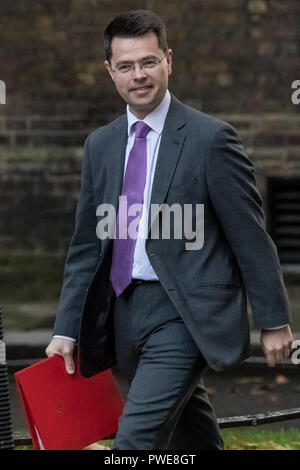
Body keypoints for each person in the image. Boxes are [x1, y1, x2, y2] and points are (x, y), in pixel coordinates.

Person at [45, 9, 294, 450]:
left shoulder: (210, 139)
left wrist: (274, 320)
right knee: (188, 432)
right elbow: (87, 245)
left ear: (168, 60)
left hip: (184, 313)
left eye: (149, 61)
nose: (138, 75)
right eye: (125, 66)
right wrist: (66, 329)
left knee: (135, 440)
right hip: (119, 312)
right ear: (110, 70)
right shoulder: (100, 145)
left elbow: (250, 235)